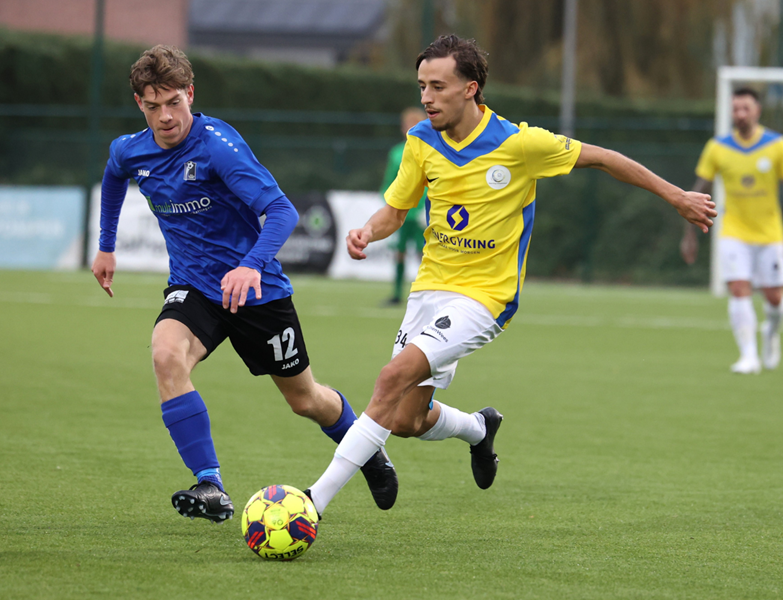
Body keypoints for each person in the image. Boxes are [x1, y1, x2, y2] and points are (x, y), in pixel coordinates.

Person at [304, 35, 716, 518]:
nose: (426, 98)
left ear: (470, 88)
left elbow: (605, 159)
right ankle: (478, 428)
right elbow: (396, 211)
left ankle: (313, 501)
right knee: (405, 419)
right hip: (430, 288)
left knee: (391, 377)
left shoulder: (520, 144)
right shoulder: (420, 141)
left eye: (438, 87)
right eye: (422, 86)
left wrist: (678, 197)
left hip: (486, 297)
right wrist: (367, 232)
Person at [90, 45, 397, 524]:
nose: (165, 116)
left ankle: (368, 450)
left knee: (305, 400)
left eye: (173, 102)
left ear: (190, 94)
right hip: (194, 288)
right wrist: (106, 245)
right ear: (139, 104)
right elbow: (113, 176)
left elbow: (282, 211)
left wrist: (251, 265)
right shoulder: (131, 150)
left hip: (258, 293)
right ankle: (210, 485)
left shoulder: (218, 146)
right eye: (153, 106)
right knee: (166, 355)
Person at [681, 87, 783, 374]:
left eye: (745, 108)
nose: (740, 114)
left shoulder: (776, 145)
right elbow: (698, 190)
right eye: (735, 109)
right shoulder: (718, 147)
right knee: (739, 289)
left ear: (757, 111)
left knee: (775, 298)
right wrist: (689, 233)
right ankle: (748, 356)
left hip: (770, 233)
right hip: (734, 232)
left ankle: (771, 332)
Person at [381, 107, 428, 306]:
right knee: (399, 252)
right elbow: (389, 181)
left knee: (424, 254)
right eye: (407, 125)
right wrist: (387, 203)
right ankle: (397, 293)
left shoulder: (430, 150)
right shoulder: (396, 153)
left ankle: (426, 294)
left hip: (421, 213)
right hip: (401, 213)